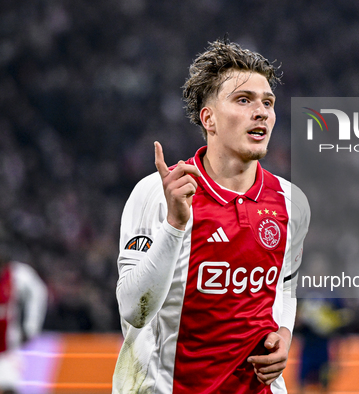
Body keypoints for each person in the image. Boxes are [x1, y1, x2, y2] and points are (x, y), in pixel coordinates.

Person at [112, 37, 310, 394]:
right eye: (244, 100)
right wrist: (174, 224)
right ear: (209, 118)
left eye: (268, 102)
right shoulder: (158, 193)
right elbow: (133, 310)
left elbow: (284, 285)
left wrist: (284, 332)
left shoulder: (291, 202)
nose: (261, 111)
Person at [0, 242, 48, 394]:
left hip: (7, 350)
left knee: (9, 387)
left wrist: (30, 327)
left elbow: (39, 293)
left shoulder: (17, 274)